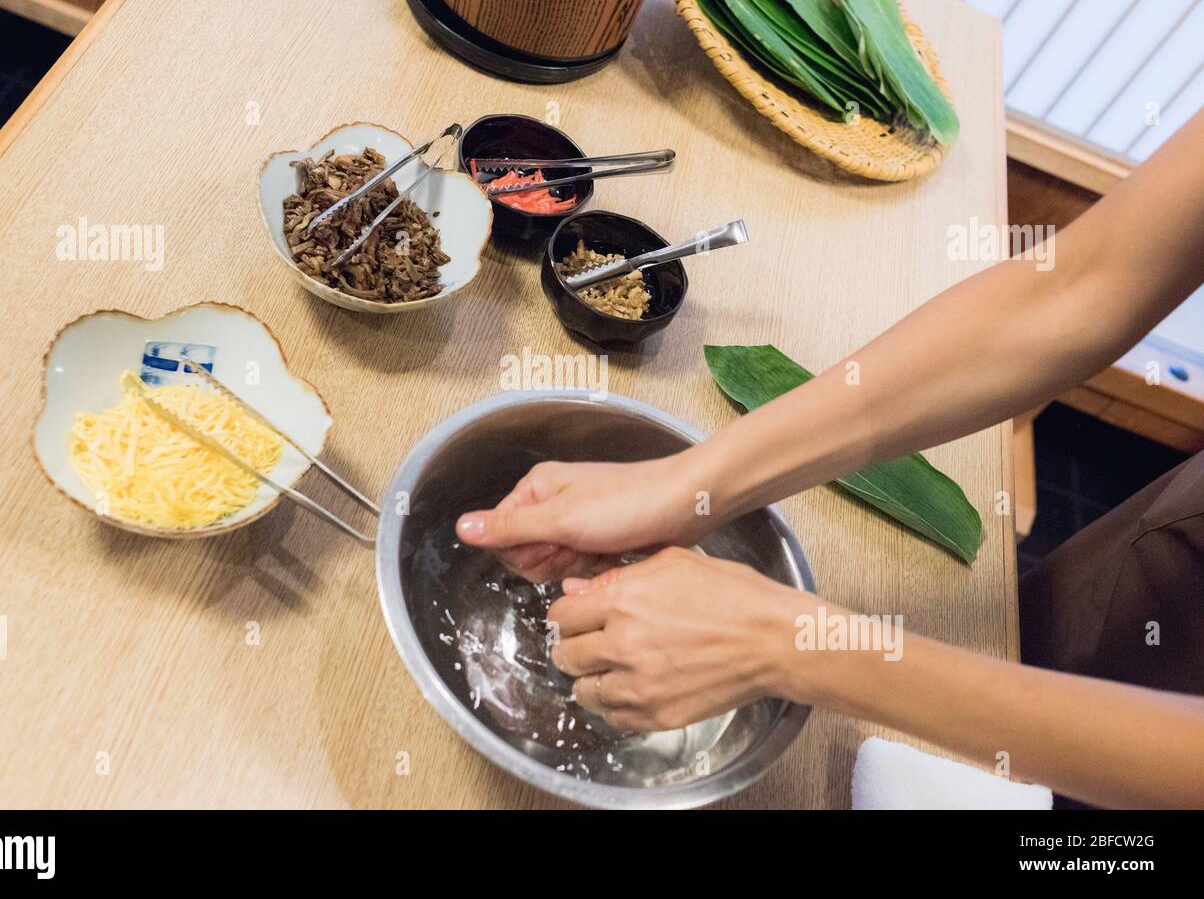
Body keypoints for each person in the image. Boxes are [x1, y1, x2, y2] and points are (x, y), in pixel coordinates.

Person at [456, 110, 1204, 809]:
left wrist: (791, 645)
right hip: (1179, 559)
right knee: (1031, 655)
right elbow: (1081, 289)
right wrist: (686, 484)